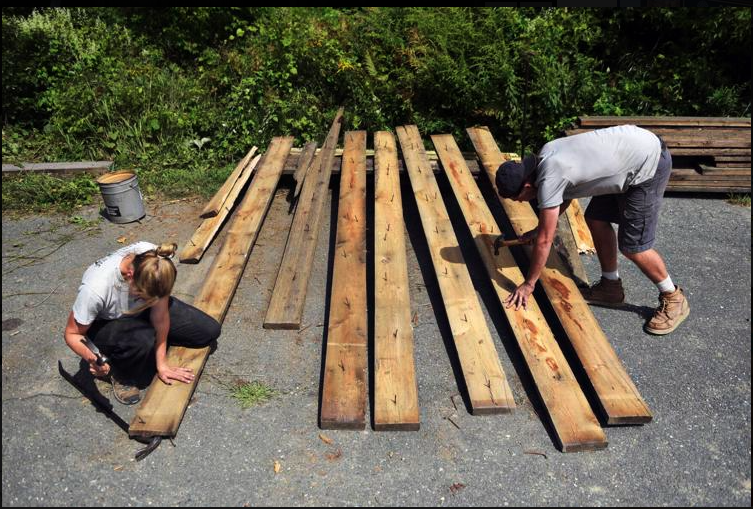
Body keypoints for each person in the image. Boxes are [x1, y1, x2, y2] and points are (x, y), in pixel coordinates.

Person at [496, 124, 689, 335]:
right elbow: (565, 194)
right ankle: (610, 287)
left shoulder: (550, 177)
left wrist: (529, 284)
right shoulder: (546, 154)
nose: (523, 203)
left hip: (647, 164)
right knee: (596, 219)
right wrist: (538, 229)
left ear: (526, 187)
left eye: (520, 200)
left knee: (634, 247)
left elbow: (545, 241)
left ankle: (673, 297)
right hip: (626, 156)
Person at [63, 241, 221, 404]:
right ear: (129, 276)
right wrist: (93, 359)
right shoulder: (96, 288)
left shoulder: (157, 262)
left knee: (208, 331)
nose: (148, 300)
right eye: (142, 296)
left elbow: (160, 316)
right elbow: (72, 334)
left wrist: (162, 364)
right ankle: (121, 373)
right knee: (142, 344)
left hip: (136, 311)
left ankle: (144, 346)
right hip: (106, 323)